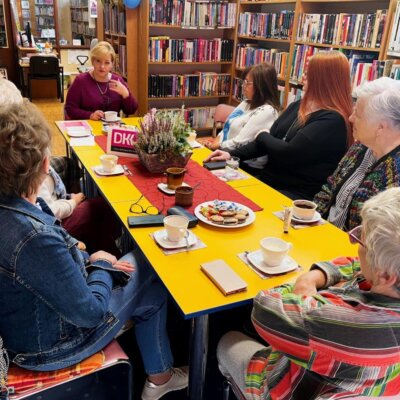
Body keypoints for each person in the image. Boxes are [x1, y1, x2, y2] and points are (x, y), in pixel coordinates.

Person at [0, 103, 187, 400]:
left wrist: (92, 260)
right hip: (48, 348)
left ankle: (159, 378)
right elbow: (90, 312)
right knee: (148, 258)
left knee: (151, 294)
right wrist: (101, 266)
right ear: (46, 164)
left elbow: (55, 263)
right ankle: (167, 365)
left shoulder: (14, 210)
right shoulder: (33, 237)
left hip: (33, 328)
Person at [217, 187, 400, 399]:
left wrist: (304, 288)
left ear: (386, 276)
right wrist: (311, 278)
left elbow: (265, 306)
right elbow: (355, 265)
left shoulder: (332, 322)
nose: (353, 241)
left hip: (293, 386)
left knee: (228, 340)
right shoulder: (386, 279)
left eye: (360, 240)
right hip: (372, 386)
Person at [205, 51, 353, 200]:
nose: (303, 78)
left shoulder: (332, 121)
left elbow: (288, 153)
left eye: (308, 74)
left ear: (323, 79)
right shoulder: (298, 105)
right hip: (268, 183)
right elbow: (266, 143)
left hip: (294, 195)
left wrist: (263, 135)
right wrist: (231, 154)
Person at [314, 77, 400, 231]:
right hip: (322, 232)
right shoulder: (361, 145)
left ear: (381, 127)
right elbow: (330, 187)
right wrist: (311, 219)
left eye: (358, 115)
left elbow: (381, 237)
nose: (350, 118)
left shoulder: (395, 174)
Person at [206, 63, 280, 170]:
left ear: (261, 86)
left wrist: (216, 146)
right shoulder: (246, 102)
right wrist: (216, 142)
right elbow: (228, 126)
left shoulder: (267, 111)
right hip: (224, 153)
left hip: (243, 163)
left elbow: (241, 142)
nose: (243, 86)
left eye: (247, 82)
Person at [65, 41, 138, 120]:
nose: (102, 66)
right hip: (86, 128)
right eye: (98, 61)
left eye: (107, 63)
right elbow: (70, 109)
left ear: (112, 64)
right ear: (93, 61)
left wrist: (125, 94)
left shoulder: (118, 80)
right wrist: (90, 115)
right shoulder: (81, 81)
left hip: (111, 129)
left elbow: (131, 110)